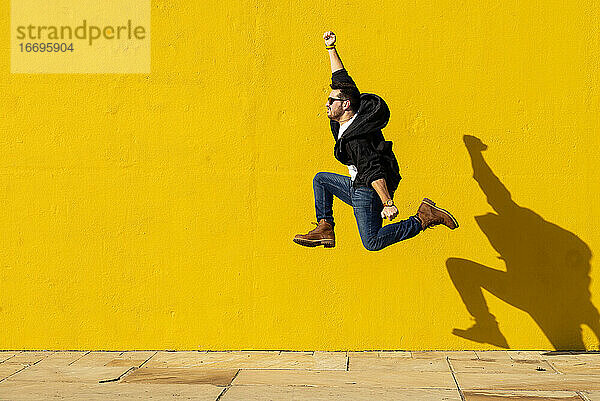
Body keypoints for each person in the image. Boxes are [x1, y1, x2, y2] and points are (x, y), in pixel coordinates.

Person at [293, 31, 458, 251]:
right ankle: (325, 228)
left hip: (367, 190)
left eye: (331, 100)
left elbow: (373, 170)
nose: (327, 104)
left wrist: (387, 203)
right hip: (356, 184)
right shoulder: (346, 116)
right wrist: (331, 48)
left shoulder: (357, 138)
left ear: (346, 105)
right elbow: (340, 78)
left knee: (372, 242)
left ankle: (422, 218)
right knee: (321, 180)